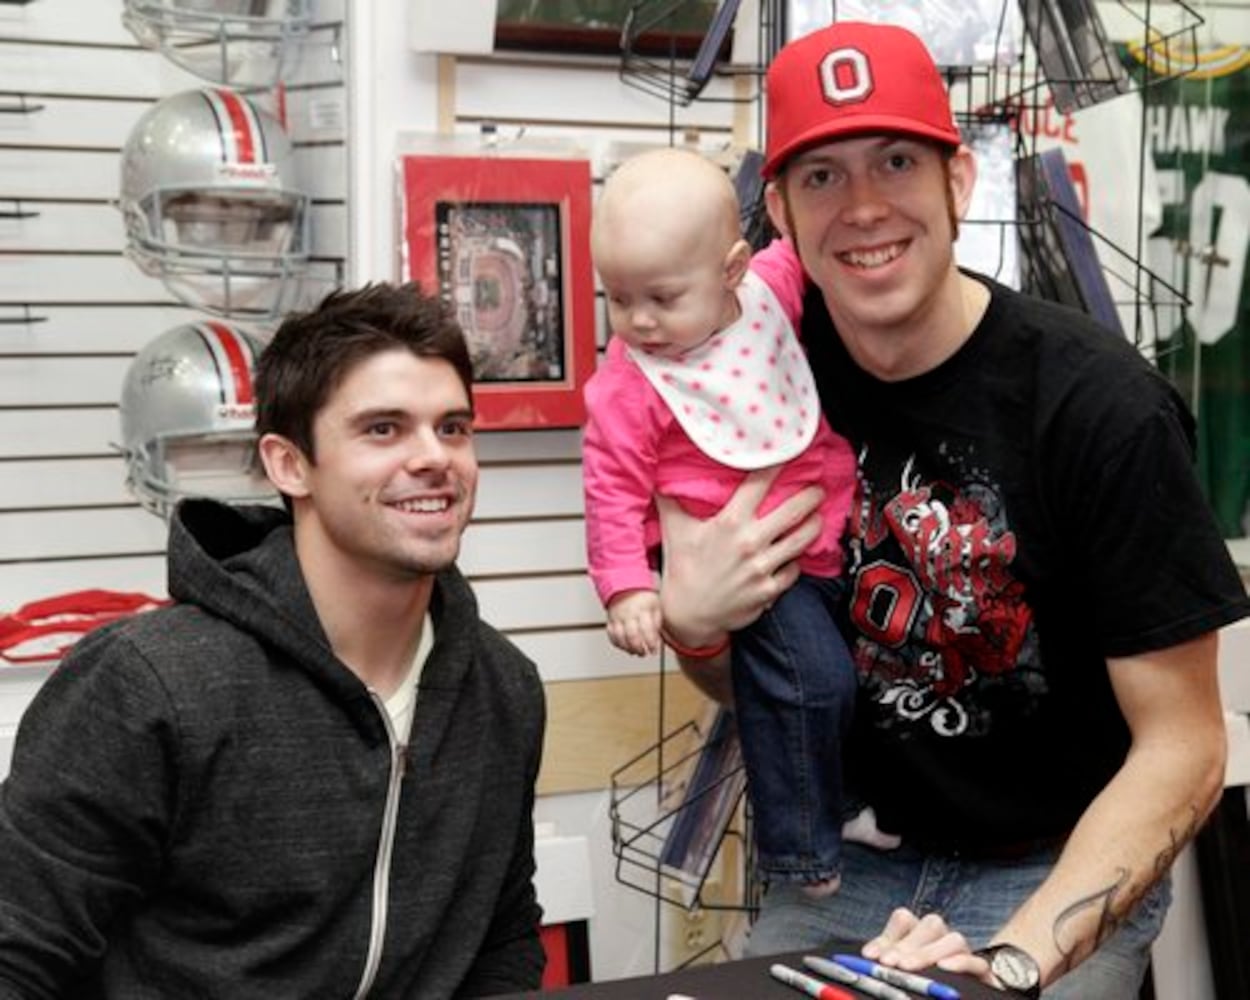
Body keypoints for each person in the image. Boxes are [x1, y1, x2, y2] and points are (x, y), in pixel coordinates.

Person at [655, 20, 1250, 1000]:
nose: (861, 207)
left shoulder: (1098, 406)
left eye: (894, 160)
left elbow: (1184, 745)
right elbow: (752, 679)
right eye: (820, 177)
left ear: (957, 181)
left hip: (1055, 866)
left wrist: (1007, 961)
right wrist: (692, 625)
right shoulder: (757, 386)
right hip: (847, 864)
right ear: (775, 211)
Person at [0, 283, 546, 997]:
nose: (433, 457)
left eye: (452, 427)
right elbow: (18, 953)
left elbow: (500, 941)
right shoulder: (148, 683)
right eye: (383, 429)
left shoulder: (502, 688)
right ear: (290, 464)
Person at [583, 147, 893, 896]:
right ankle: (798, 854)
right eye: (618, 299)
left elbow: (805, 252)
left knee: (847, 687)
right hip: (756, 576)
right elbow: (611, 489)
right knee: (808, 685)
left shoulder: (769, 295)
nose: (639, 321)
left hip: (828, 548)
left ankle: (843, 803)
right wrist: (626, 589)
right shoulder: (632, 381)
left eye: (661, 296)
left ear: (732, 270)